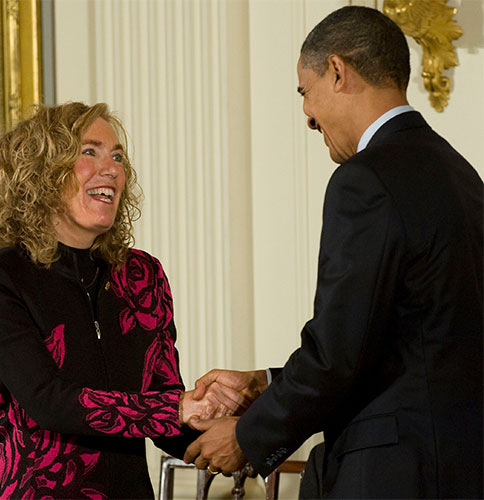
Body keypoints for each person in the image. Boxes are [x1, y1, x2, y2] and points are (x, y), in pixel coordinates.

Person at [183, 6, 483, 499]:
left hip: (393, 477)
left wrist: (247, 435)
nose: (306, 114)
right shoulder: (461, 175)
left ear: (338, 71)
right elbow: (399, 343)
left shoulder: (365, 179)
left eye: (305, 91)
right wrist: (267, 382)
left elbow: (340, 353)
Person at [0, 102, 234, 499]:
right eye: (89, 152)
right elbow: (48, 401)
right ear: (41, 172)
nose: (112, 168)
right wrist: (178, 409)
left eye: (118, 156)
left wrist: (226, 421)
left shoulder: (142, 276)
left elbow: (163, 404)